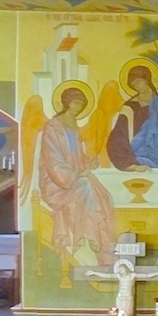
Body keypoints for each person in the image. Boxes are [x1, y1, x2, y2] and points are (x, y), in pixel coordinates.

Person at [39, 84, 118, 266]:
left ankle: (100, 243)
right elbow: (52, 160)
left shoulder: (73, 126)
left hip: (73, 176)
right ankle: (91, 235)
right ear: (67, 102)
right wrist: (76, 173)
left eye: (81, 105)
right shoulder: (52, 127)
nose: (78, 108)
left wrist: (89, 162)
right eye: (75, 103)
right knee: (86, 186)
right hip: (56, 182)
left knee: (103, 195)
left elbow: (77, 157)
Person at [107, 64, 158, 171]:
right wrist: (128, 163)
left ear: (147, 80)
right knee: (143, 161)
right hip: (140, 151)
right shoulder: (130, 107)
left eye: (139, 82)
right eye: (134, 85)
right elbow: (118, 135)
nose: (137, 87)